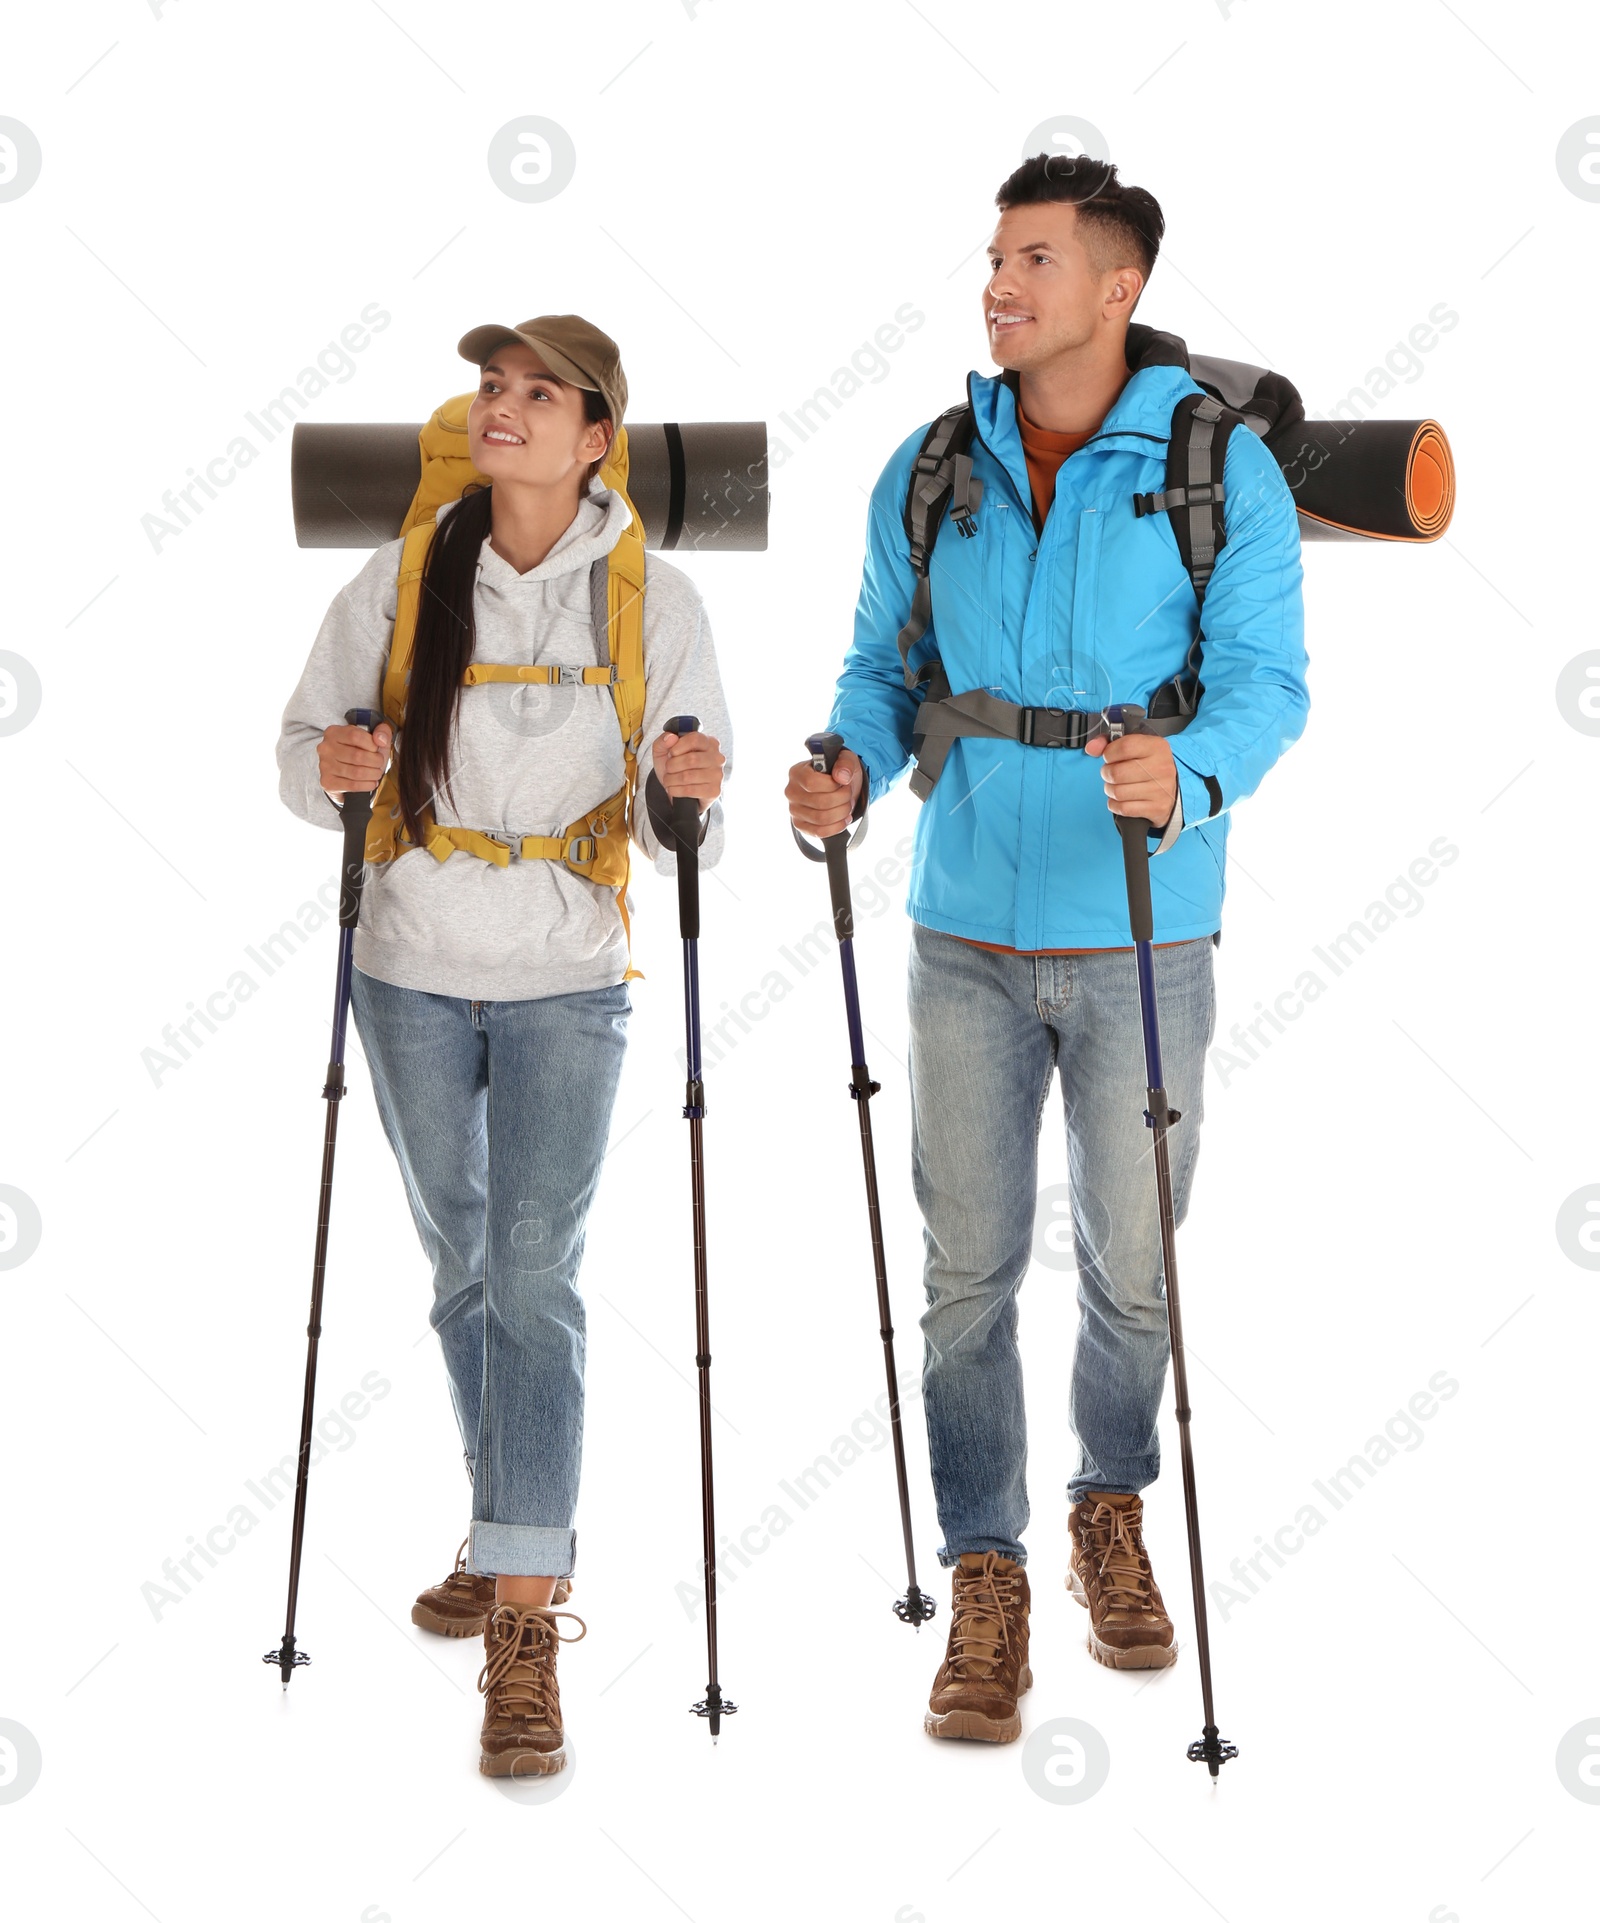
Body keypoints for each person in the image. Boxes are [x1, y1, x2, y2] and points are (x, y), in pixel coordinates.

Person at [786, 157, 1307, 1743]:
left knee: (1134, 1268)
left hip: (1147, 929)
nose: (999, 283)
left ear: (1116, 288)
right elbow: (884, 663)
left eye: (1032, 258)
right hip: (960, 932)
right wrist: (850, 765)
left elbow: (1266, 686)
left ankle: (1111, 1508)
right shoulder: (933, 464)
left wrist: (1190, 771)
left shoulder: (1218, 467)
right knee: (964, 1276)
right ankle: (988, 1571)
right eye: (994, 256)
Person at [277, 314, 731, 1775]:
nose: (506, 410)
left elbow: (682, 819)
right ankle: (506, 1524)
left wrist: (690, 789)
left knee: (534, 1277)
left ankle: (525, 1624)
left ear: (598, 437)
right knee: (463, 1270)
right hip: (405, 968)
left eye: (541, 394)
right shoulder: (404, 576)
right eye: (492, 389)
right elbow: (300, 757)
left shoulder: (650, 601)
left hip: (563, 978)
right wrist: (334, 771)